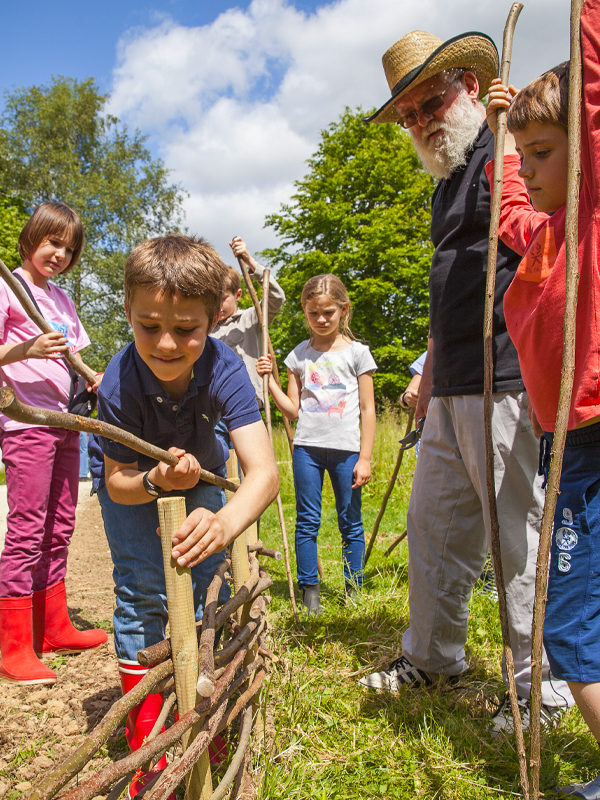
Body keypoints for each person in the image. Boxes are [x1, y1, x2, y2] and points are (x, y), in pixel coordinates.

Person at [358, 29, 573, 732]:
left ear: (471, 89)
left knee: (519, 534)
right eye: (410, 115)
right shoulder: (447, 175)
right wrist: (426, 371)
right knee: (435, 528)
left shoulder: (506, 147)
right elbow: (450, 282)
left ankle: (540, 687)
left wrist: (510, 138)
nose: (420, 121)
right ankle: (434, 655)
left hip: (507, 376)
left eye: (430, 102)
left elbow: (541, 226)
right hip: (450, 382)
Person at [88, 234, 279, 796]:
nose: (167, 344)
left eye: (186, 329)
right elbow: (117, 483)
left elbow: (263, 473)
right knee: (143, 591)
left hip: (203, 477)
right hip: (137, 485)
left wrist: (222, 523)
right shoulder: (119, 382)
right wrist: (153, 480)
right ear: (127, 311)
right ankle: (149, 735)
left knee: (200, 588)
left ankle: (195, 714)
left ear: (214, 317)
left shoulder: (225, 367)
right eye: (149, 326)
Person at [486, 3, 600, 790]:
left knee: (571, 628)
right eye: (528, 152)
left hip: (594, 440)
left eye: (546, 151)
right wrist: (502, 140)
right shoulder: (548, 235)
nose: (534, 163)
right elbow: (511, 208)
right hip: (569, 442)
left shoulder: (592, 218)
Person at [0, 202, 107, 686]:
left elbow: (77, 358)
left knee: (62, 522)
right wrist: (25, 349)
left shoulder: (62, 300)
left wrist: (95, 379)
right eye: (52, 242)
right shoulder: (9, 288)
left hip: (67, 421)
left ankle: (53, 627)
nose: (59, 254)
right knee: (27, 529)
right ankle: (14, 645)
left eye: (69, 248)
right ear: (30, 239)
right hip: (27, 422)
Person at [256, 274, 376, 614]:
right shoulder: (299, 356)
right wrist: (270, 382)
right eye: (313, 314)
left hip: (347, 451)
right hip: (307, 449)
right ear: (305, 312)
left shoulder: (358, 354)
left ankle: (354, 590)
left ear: (343, 310)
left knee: (350, 521)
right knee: (307, 520)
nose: (321, 320)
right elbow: (293, 411)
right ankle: (310, 592)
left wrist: (364, 457)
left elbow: (368, 409)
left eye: (328, 313)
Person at [211, 235, 285, 451]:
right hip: (213, 410)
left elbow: (276, 298)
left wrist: (250, 261)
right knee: (221, 467)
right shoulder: (204, 329)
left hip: (247, 406)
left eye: (223, 298)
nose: (218, 305)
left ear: (238, 294)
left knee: (250, 467)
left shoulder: (252, 318)